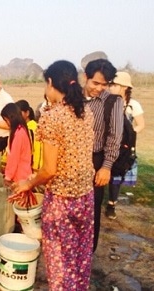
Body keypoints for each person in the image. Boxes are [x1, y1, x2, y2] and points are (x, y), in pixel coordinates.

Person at [10, 60, 95, 290]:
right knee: (80, 258)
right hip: (86, 197)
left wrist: (27, 183)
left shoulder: (52, 116)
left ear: (50, 82)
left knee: (60, 265)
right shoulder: (86, 111)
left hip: (62, 202)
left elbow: (49, 170)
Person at [83, 59, 123, 252]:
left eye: (104, 84)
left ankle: (88, 253)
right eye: (95, 83)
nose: (99, 88)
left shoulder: (112, 102)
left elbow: (115, 136)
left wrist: (106, 166)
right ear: (85, 78)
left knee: (92, 208)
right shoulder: (73, 98)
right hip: (71, 161)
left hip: (96, 160)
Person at [107, 72, 145, 219]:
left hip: (123, 147)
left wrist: (127, 136)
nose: (111, 87)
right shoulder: (106, 102)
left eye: (114, 85)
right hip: (108, 144)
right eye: (111, 84)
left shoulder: (132, 105)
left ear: (124, 87)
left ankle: (111, 205)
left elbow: (140, 125)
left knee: (117, 176)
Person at [0, 103, 32, 187]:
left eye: (6, 120)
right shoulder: (21, 129)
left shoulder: (19, 134)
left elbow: (14, 157)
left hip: (19, 176)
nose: (6, 123)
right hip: (23, 173)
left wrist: (8, 176)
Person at [15, 100, 43, 172]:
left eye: (19, 113)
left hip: (32, 168)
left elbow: (38, 150)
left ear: (27, 113)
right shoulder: (21, 127)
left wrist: (36, 169)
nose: (16, 116)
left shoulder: (33, 129)